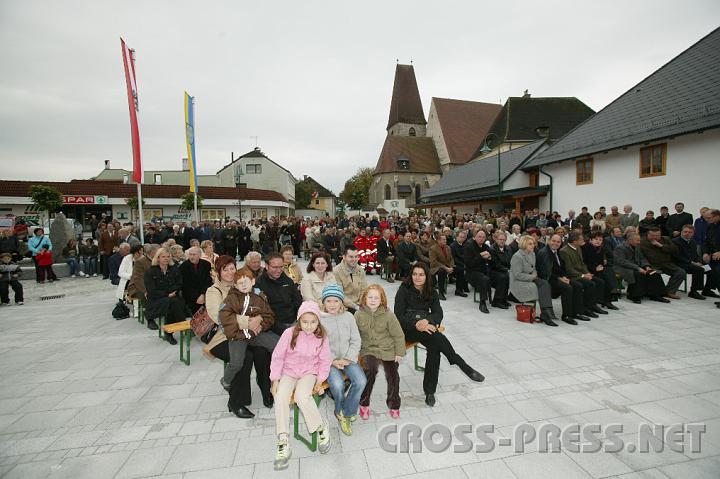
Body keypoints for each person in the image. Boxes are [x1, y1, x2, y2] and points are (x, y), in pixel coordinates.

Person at [394, 262, 484, 407]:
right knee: (435, 337)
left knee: (434, 349)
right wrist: (417, 324)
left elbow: (438, 313)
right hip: (407, 330)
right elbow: (398, 315)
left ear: (426, 276)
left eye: (421, 274)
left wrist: (427, 321)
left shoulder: (431, 291)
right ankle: (460, 364)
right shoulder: (403, 290)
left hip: (426, 328)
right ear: (411, 275)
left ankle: (430, 392)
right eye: (415, 274)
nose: (417, 277)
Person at [205, 255, 273, 418]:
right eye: (225, 269)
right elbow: (219, 317)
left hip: (249, 333)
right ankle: (236, 402)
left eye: (232, 268)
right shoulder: (214, 291)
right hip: (224, 337)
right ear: (218, 272)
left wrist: (260, 319)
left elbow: (262, 308)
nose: (229, 272)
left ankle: (266, 390)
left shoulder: (246, 285)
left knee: (262, 352)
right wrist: (250, 321)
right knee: (246, 358)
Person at [270, 301, 333, 470]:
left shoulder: (322, 337)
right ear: (299, 320)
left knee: (301, 396)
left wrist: (320, 380)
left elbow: (325, 360)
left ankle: (320, 428)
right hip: (289, 371)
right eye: (305, 322)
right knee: (281, 396)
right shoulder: (289, 333)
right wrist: (275, 379)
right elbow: (277, 357)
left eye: (313, 322)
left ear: (318, 322)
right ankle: (283, 439)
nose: (309, 326)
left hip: (308, 372)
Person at [219, 267, 278, 394]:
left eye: (246, 281)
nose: (244, 285)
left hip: (256, 332)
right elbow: (226, 319)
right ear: (235, 285)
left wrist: (261, 325)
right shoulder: (231, 299)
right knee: (237, 363)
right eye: (240, 283)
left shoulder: (259, 297)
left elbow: (269, 315)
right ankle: (226, 380)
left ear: (253, 281)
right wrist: (247, 329)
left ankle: (277, 375)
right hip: (238, 336)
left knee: (277, 344)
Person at [320, 284, 366, 435]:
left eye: (336, 301)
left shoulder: (349, 317)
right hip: (329, 361)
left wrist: (348, 358)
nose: (332, 304)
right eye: (328, 301)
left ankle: (346, 411)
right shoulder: (319, 320)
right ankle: (339, 409)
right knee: (338, 385)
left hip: (347, 357)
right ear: (324, 303)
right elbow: (319, 345)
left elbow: (356, 340)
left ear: (341, 302)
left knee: (360, 381)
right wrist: (332, 360)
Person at [355, 284, 405, 419]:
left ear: (382, 300)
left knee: (393, 375)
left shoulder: (388, 315)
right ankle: (364, 403)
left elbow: (398, 335)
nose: (372, 300)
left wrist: (399, 353)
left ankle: (394, 404)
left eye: (376, 298)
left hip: (387, 349)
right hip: (368, 349)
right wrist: (355, 352)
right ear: (364, 298)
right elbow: (354, 335)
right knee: (370, 371)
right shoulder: (358, 315)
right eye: (370, 297)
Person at [536, 234, 590, 325]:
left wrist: (564, 277)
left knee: (577, 285)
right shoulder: (544, 253)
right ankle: (566, 315)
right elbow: (545, 272)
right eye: (553, 241)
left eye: (558, 242)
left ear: (561, 243)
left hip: (559, 277)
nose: (555, 243)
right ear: (549, 241)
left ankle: (576, 312)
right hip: (548, 279)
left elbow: (562, 268)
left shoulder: (557, 252)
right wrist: (560, 278)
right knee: (567, 288)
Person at [509, 235, 557, 326]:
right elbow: (517, 275)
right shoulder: (517, 256)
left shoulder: (532, 254)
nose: (533, 246)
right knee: (540, 286)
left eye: (533, 244)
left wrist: (534, 274)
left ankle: (546, 312)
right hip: (518, 282)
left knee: (545, 283)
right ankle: (546, 313)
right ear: (524, 244)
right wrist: (533, 277)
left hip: (530, 278)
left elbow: (533, 268)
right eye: (530, 244)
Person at [560, 232, 612, 314]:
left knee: (600, 281)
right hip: (572, 275)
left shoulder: (578, 248)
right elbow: (569, 269)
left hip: (581, 273)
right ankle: (586, 307)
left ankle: (593, 304)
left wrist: (587, 273)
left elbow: (582, 264)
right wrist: (583, 275)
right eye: (581, 239)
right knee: (590, 284)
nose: (583, 241)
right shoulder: (564, 251)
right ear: (575, 241)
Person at [144, 247, 185, 343]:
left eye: (168, 256)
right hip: (156, 300)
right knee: (173, 303)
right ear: (158, 258)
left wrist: (172, 293)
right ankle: (182, 325)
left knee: (173, 304)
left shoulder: (174, 269)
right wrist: (167, 294)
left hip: (173, 297)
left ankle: (169, 333)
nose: (166, 259)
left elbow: (179, 284)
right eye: (163, 257)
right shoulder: (150, 272)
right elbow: (151, 291)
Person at [256, 252, 304, 335]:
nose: (278, 270)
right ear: (267, 266)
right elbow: (260, 311)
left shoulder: (288, 281)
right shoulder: (259, 284)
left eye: (281, 267)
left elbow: (298, 301)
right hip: (272, 327)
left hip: (292, 322)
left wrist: (299, 319)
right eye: (274, 267)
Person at [614, 233, 668, 303]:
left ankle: (656, 295)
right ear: (630, 240)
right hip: (623, 268)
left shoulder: (637, 246)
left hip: (636, 266)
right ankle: (634, 295)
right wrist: (638, 268)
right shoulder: (620, 247)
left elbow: (642, 258)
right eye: (637, 240)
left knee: (654, 273)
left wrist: (646, 266)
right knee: (639, 274)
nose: (639, 242)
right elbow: (622, 262)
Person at [640, 227, 685, 299]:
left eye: (657, 235)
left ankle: (670, 291)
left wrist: (661, 246)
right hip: (651, 265)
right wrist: (646, 265)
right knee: (654, 274)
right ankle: (657, 292)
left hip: (666, 263)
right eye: (652, 236)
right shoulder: (642, 242)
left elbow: (675, 249)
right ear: (648, 235)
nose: (655, 237)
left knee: (681, 272)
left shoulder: (666, 239)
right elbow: (640, 256)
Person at [672, 225, 712, 300]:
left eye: (690, 232)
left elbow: (695, 255)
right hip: (680, 263)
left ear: (693, 233)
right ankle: (694, 291)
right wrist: (692, 262)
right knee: (698, 269)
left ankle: (707, 290)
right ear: (681, 232)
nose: (687, 234)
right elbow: (677, 256)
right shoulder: (675, 241)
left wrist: (699, 261)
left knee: (709, 269)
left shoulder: (692, 241)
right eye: (685, 232)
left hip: (691, 263)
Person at [583, 231, 621, 305]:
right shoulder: (585, 248)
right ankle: (609, 296)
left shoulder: (601, 248)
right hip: (588, 270)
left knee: (610, 272)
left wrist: (601, 265)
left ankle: (608, 299)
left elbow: (600, 261)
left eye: (600, 240)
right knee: (605, 276)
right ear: (591, 240)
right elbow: (584, 263)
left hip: (598, 269)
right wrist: (595, 268)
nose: (598, 241)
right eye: (596, 239)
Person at [332, 245, 368, 314]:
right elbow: (340, 295)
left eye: (356, 256)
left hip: (359, 304)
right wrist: (355, 306)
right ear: (344, 257)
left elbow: (364, 289)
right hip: (344, 306)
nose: (354, 260)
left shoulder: (360, 270)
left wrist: (361, 303)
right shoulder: (336, 271)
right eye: (351, 257)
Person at [465, 229, 493, 314]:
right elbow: (469, 263)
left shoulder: (486, 247)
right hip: (472, 273)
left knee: (501, 276)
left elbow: (492, 260)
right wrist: (480, 256)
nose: (481, 239)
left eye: (483, 237)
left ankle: (498, 300)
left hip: (484, 271)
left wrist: (489, 258)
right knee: (483, 279)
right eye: (479, 237)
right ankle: (482, 302)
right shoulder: (469, 247)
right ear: (474, 237)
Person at [179, 246, 213, 315]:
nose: (192, 257)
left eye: (194, 255)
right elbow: (185, 285)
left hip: (204, 292)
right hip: (191, 295)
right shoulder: (183, 267)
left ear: (200, 255)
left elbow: (207, 281)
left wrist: (203, 294)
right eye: (190, 254)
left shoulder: (206, 264)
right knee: (198, 311)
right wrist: (197, 297)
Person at [488, 232, 511, 309]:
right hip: (493, 271)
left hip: (504, 270)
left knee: (507, 276)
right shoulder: (492, 249)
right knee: (503, 277)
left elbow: (510, 261)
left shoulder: (507, 248)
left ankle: (503, 299)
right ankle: (496, 301)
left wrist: (510, 269)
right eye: (500, 239)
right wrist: (507, 270)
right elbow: (495, 264)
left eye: (504, 240)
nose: (502, 241)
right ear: (496, 239)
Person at [429, 233, 454, 301]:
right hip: (436, 267)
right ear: (438, 240)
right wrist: (445, 268)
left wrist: (451, 267)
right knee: (442, 272)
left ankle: (459, 289)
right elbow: (434, 262)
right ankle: (441, 292)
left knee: (459, 269)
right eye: (443, 239)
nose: (445, 241)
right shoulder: (433, 248)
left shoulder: (448, 247)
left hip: (447, 265)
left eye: (445, 239)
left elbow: (451, 258)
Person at [450, 230, 469, 297]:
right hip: (455, 264)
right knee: (461, 270)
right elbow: (453, 258)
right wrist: (463, 264)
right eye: (461, 237)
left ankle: (465, 286)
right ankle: (458, 290)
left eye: (463, 237)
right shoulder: (452, 246)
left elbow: (467, 256)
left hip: (464, 263)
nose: (462, 239)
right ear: (456, 237)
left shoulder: (465, 245)